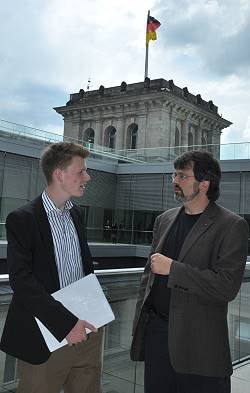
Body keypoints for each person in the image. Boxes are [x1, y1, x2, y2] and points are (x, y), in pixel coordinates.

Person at [130, 150, 249, 393]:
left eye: (182, 176)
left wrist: (174, 269)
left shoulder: (232, 225)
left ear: (204, 183)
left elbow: (226, 286)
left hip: (200, 345)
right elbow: (148, 277)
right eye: (174, 175)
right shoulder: (164, 219)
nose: (174, 181)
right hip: (158, 336)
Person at [0, 142, 103, 393]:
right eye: (81, 172)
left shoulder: (76, 214)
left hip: (87, 334)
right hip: (45, 338)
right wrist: (66, 324)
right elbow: (22, 282)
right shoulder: (22, 219)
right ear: (59, 174)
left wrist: (96, 313)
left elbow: (82, 269)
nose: (87, 177)